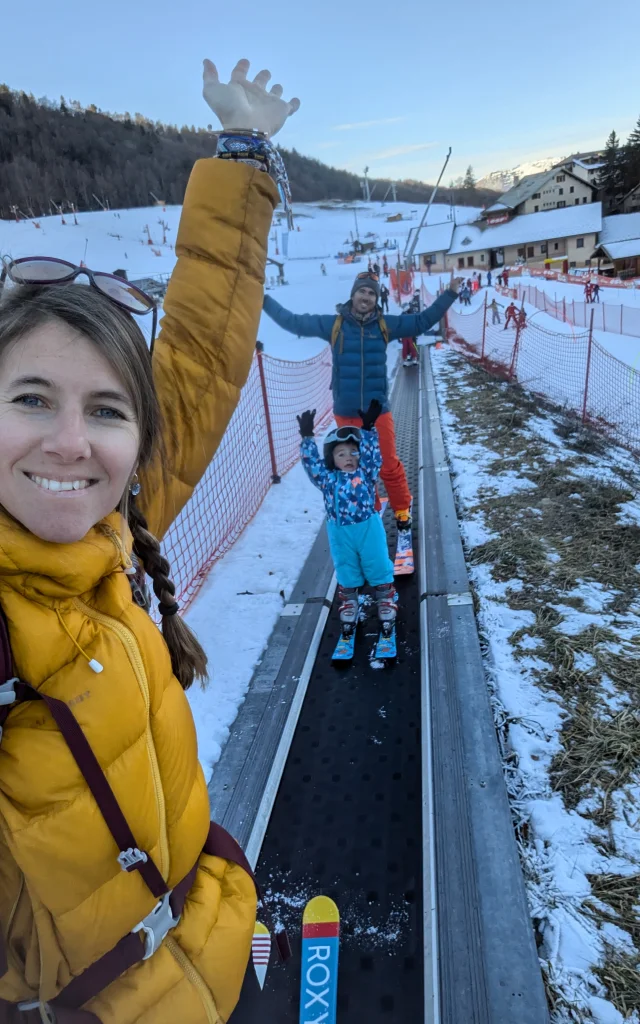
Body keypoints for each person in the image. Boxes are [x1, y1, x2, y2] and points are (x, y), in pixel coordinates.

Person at [0, 56, 299, 1024]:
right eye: (31, 399)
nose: (70, 443)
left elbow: (204, 354)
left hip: (210, 935)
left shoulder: (115, 522)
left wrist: (243, 158)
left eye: (106, 409)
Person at [263, 272, 462, 531]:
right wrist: (263, 300)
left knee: (388, 464)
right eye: (362, 291)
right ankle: (371, 511)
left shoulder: (385, 325)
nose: (366, 297)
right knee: (355, 468)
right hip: (345, 413)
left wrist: (450, 294)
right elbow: (295, 323)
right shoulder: (334, 325)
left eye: (371, 293)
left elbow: (421, 322)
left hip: (377, 411)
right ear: (353, 295)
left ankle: (402, 511)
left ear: (376, 300)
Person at [297, 402, 396, 633]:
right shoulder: (327, 479)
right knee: (346, 566)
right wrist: (307, 438)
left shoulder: (366, 472)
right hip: (340, 531)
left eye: (353, 452)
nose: (349, 457)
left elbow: (373, 457)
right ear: (333, 459)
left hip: (368, 527)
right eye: (341, 454)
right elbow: (311, 465)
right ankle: (350, 600)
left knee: (377, 561)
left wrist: (369, 429)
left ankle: (385, 597)